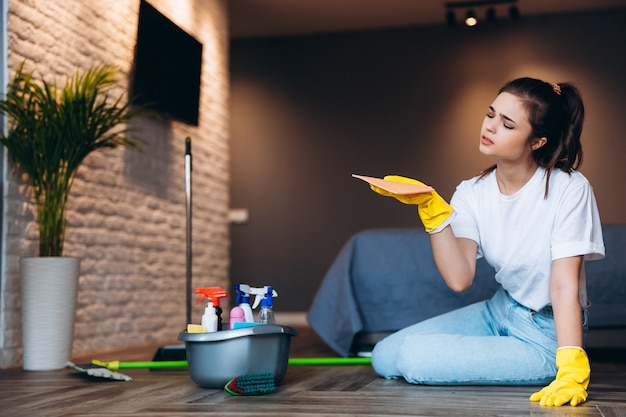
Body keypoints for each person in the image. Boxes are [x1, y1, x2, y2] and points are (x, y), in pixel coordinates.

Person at [368, 77, 605, 407]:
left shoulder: (570, 189)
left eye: (507, 124)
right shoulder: (472, 191)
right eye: (491, 114)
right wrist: (433, 213)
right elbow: (459, 278)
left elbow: (564, 286)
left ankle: (550, 364)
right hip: (500, 309)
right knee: (384, 355)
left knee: (412, 358)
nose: (490, 127)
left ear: (537, 141)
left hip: (545, 333)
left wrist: (570, 367)